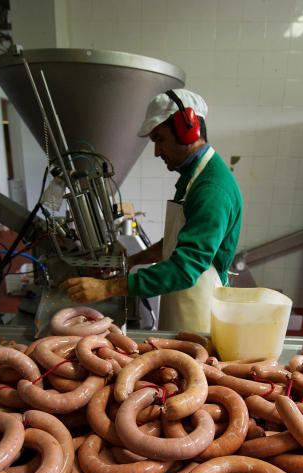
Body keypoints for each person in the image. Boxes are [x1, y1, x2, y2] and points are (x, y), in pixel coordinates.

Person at [58, 89, 243, 332]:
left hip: (199, 312)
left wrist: (107, 288)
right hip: (185, 300)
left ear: (187, 129)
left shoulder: (211, 188)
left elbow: (184, 269)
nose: (156, 152)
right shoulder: (194, 177)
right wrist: (133, 260)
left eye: (159, 139)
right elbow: (178, 240)